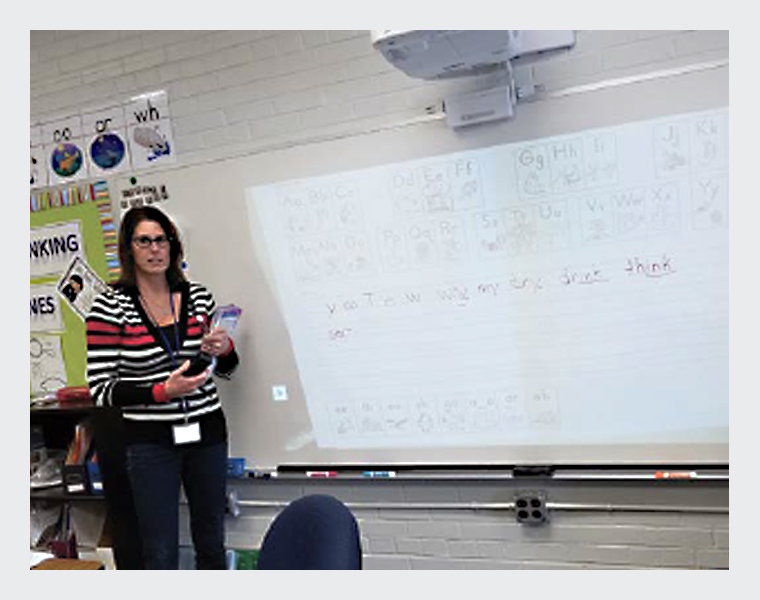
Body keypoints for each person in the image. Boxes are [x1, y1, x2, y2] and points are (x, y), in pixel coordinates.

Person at [86, 206, 239, 569]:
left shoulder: (198, 297)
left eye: (162, 240)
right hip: (151, 441)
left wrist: (225, 350)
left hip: (207, 432)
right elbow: (102, 389)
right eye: (144, 241)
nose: (155, 249)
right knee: (159, 551)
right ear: (128, 249)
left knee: (212, 542)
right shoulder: (109, 307)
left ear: (173, 246)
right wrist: (161, 392)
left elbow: (228, 370)